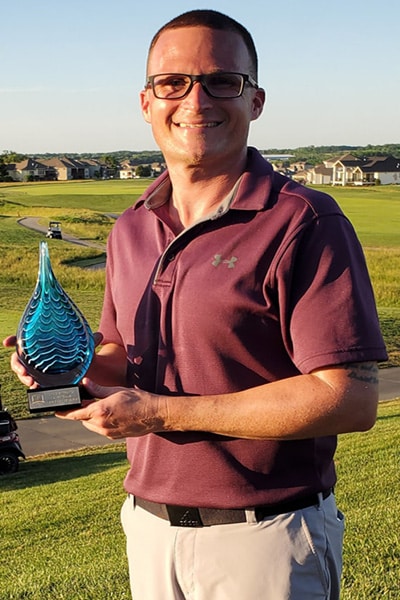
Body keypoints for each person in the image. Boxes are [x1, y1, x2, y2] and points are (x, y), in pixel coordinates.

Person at [4, 9, 388, 600]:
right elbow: (119, 357)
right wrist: (65, 373)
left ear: (255, 100)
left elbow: (349, 397)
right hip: (148, 528)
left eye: (221, 81)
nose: (195, 99)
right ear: (146, 100)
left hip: (264, 539)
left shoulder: (304, 221)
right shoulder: (130, 227)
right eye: (173, 82)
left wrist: (158, 414)